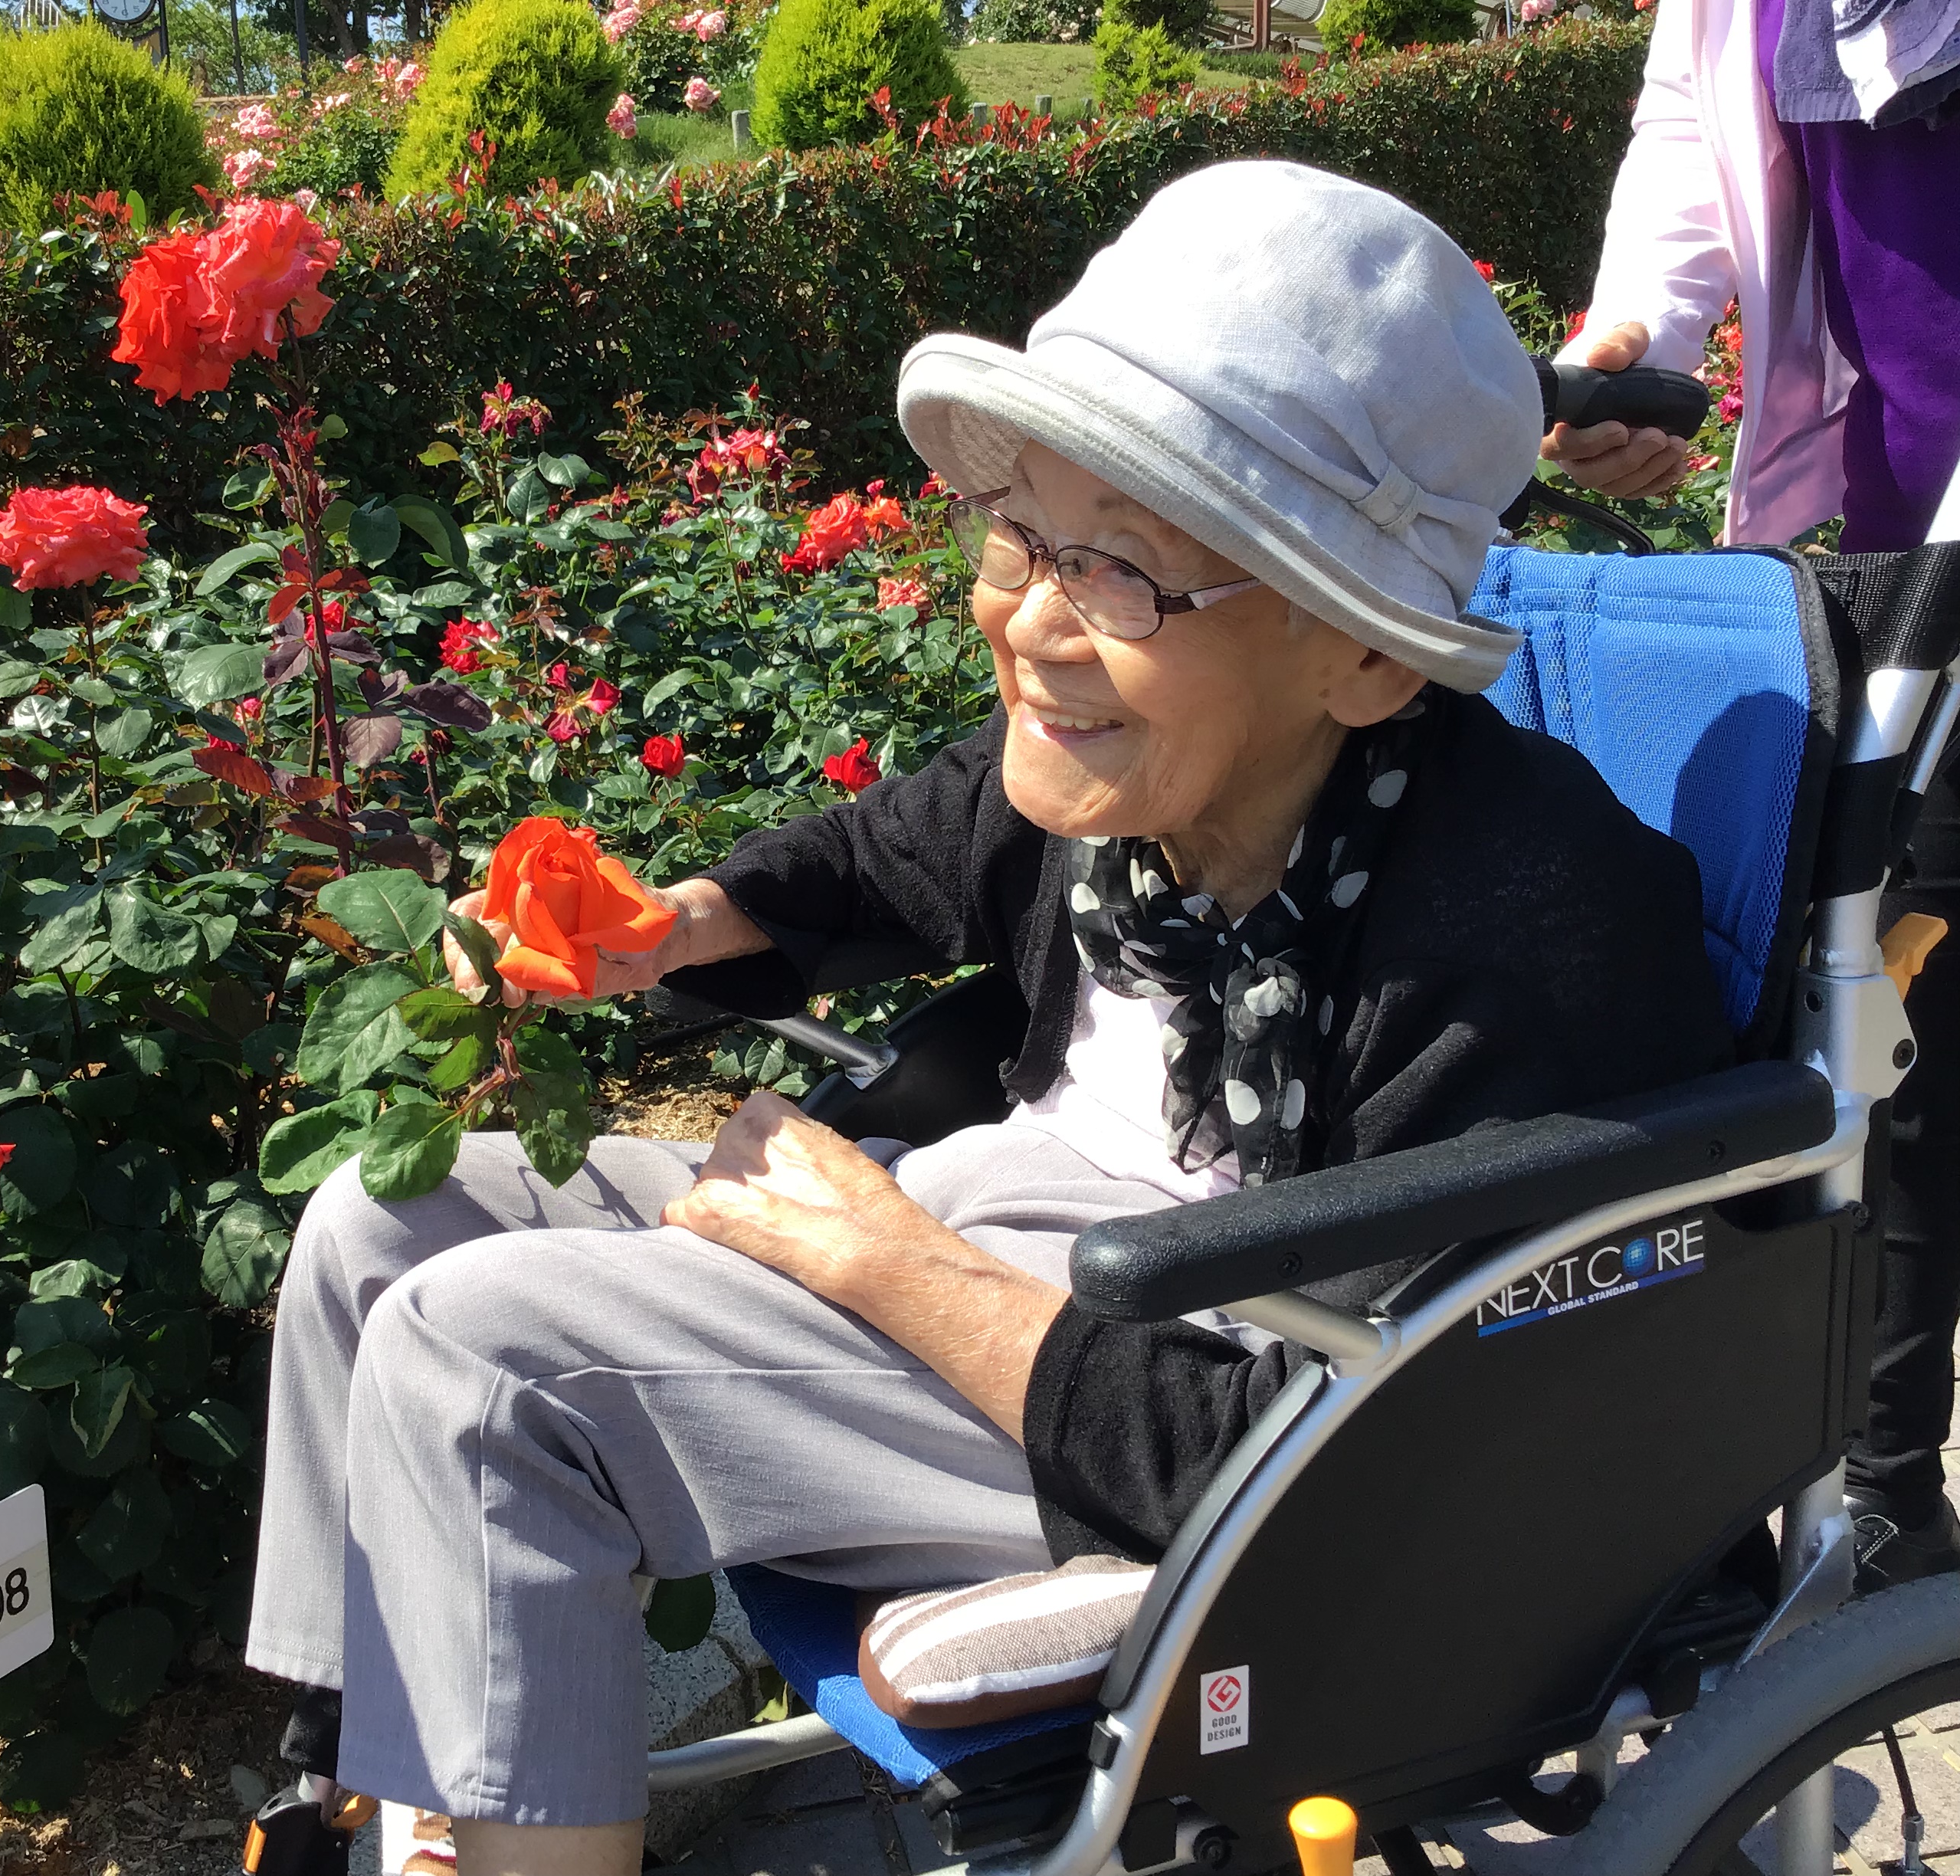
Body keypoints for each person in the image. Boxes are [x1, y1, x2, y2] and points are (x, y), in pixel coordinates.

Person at [244, 160, 1735, 1876]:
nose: (1026, 619)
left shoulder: (1524, 938)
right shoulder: (1111, 786)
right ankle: (374, 1803)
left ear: (1368, 660)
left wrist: (892, 1264)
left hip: (1193, 1399)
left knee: (486, 1356)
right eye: (1024, 533)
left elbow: (1352, 1462)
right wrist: (666, 930)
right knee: (380, 1224)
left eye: (1128, 577)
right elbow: (869, 861)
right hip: (987, 1251)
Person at [1540, 0, 1960, 1582]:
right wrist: (1635, 343)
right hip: (1900, 538)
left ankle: (1882, 1487)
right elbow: (1690, 122)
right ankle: (1878, 1488)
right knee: (1884, 997)